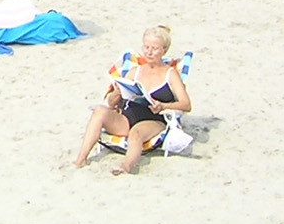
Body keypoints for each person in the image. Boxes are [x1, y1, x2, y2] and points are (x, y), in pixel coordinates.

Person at [66, 25, 192, 174]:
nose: (149, 52)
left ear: (164, 50)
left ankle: (125, 167)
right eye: (146, 47)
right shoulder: (134, 71)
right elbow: (112, 104)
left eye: (154, 48)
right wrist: (117, 93)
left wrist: (163, 106)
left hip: (154, 119)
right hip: (127, 118)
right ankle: (80, 159)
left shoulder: (170, 74)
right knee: (99, 111)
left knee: (136, 133)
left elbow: (186, 104)